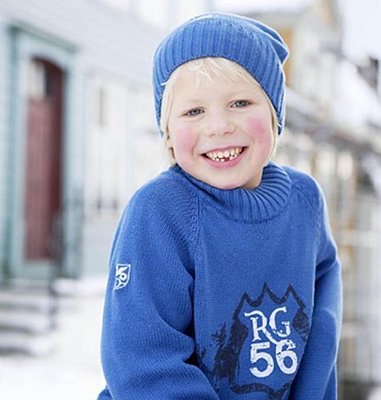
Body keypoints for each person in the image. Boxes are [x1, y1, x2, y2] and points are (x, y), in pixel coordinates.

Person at [97, 12, 342, 400]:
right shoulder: (161, 211)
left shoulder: (304, 201)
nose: (218, 127)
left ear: (275, 114)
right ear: (169, 133)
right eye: (194, 111)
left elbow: (321, 331)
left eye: (240, 102)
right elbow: (143, 360)